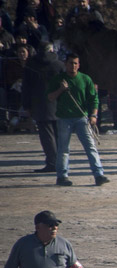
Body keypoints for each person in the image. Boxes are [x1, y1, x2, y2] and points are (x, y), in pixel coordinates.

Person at [46, 52, 109, 186]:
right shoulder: (58, 79)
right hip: (64, 119)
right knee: (63, 148)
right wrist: (61, 90)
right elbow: (50, 97)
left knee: (90, 146)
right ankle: (62, 176)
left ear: (79, 65)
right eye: (70, 63)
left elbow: (94, 99)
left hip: (82, 117)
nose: (73, 66)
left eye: (75, 63)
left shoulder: (85, 79)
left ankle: (99, 174)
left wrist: (93, 115)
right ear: (65, 64)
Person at [22, 41, 63, 172]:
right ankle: (61, 163)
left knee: (46, 136)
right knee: (58, 135)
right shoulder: (59, 64)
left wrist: (26, 105)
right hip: (59, 103)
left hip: (39, 103)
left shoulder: (31, 64)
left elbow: (26, 87)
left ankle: (52, 162)